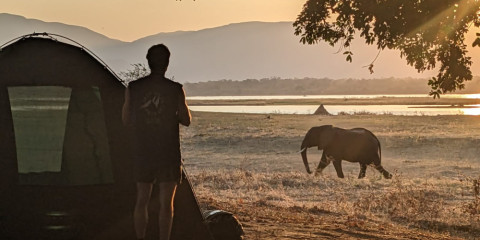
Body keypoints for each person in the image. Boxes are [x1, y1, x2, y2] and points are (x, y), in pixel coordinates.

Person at [122, 44, 191, 240]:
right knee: (166, 204)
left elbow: (126, 120)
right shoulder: (175, 89)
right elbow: (186, 120)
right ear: (167, 63)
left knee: (141, 200)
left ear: (148, 61)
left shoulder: (134, 88)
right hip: (168, 153)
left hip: (143, 151)